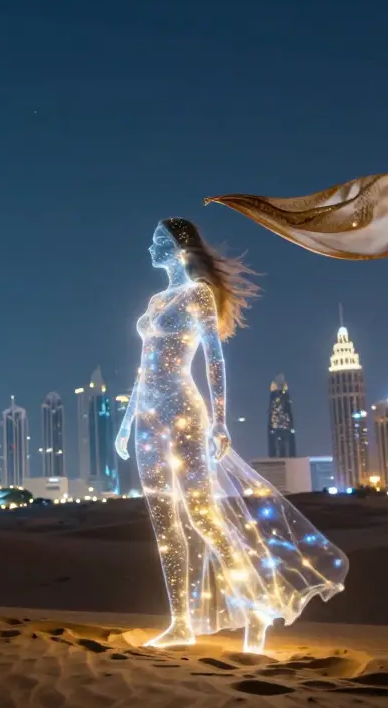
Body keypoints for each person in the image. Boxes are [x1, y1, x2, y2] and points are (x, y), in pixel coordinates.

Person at [115, 218, 349, 654]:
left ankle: (257, 605)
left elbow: (214, 360)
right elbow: (143, 368)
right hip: (147, 418)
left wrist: (220, 420)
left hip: (184, 411)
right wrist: (128, 421)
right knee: (166, 526)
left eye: (157, 241)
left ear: (180, 248)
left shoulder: (198, 294)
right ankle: (180, 622)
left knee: (204, 517)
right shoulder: (154, 299)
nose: (149, 248)